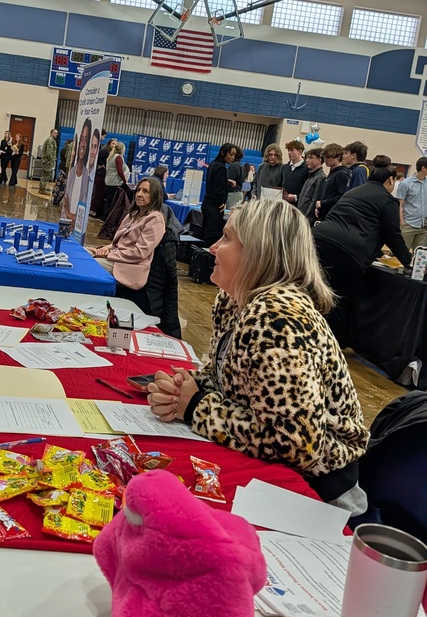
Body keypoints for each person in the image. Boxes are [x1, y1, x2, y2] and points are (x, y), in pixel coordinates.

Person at [147, 199, 369, 511]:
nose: (212, 247)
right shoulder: (232, 301)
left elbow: (294, 445)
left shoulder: (279, 317)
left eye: (226, 238)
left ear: (257, 252)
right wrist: (182, 391)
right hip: (271, 470)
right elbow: (221, 376)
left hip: (319, 492)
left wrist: (196, 406)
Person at [313, 155, 411, 346]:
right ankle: (332, 346)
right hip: (347, 252)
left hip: (318, 239)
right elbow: (393, 236)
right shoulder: (387, 200)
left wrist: (377, 252)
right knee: (340, 300)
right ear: (390, 180)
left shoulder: (354, 192)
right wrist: (409, 261)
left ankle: (310, 335)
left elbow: (352, 221)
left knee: (319, 293)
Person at [88, 177, 166, 289]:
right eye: (138, 190)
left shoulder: (155, 219)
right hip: (116, 256)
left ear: (154, 196)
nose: (139, 194)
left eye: (145, 191)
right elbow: (118, 243)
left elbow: (139, 253)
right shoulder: (133, 214)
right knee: (82, 253)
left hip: (128, 266)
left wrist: (110, 254)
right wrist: (106, 248)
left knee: (89, 264)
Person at [201, 143, 238, 247]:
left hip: (206, 203)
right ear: (223, 153)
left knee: (205, 234)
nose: (233, 158)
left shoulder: (213, 164)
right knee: (212, 238)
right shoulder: (221, 168)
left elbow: (215, 181)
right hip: (214, 206)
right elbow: (217, 189)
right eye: (231, 154)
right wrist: (221, 204)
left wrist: (226, 181)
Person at [395, 157, 427, 251]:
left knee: (420, 256)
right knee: (401, 253)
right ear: (423, 168)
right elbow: (399, 205)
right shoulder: (405, 184)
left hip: (424, 226)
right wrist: (402, 223)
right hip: (408, 224)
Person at [62, 119, 91, 221]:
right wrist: (67, 214)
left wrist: (70, 215)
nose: (83, 144)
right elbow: (66, 201)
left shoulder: (87, 176)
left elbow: (82, 211)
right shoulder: (72, 171)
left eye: (86, 140)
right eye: (81, 140)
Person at [317, 143, 348, 220]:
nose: (325, 160)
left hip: (331, 215)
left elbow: (341, 196)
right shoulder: (332, 172)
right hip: (323, 213)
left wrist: (322, 203)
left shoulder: (341, 174)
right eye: (324, 157)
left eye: (328, 157)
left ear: (338, 157)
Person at [296, 147, 326, 220]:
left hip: (306, 218)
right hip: (300, 214)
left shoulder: (320, 178)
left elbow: (314, 201)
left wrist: (307, 218)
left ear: (319, 160)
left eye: (310, 158)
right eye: (306, 158)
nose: (307, 160)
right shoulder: (310, 175)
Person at [103, 141, 130, 218]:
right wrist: (125, 181)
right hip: (115, 182)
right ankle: (108, 217)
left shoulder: (111, 156)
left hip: (108, 180)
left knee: (109, 200)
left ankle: (105, 216)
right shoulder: (118, 157)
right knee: (112, 202)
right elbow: (120, 171)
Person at [280, 139, 308, 205]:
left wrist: (296, 197)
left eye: (292, 150)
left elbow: (307, 191)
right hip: (283, 204)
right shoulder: (284, 167)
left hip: (298, 205)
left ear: (300, 151)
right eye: (288, 150)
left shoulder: (307, 169)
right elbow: (280, 184)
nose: (289, 153)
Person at [39, 128, 58, 193]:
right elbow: (49, 152)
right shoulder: (50, 140)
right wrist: (50, 160)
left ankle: (42, 189)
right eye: (55, 133)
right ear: (51, 133)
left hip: (48, 161)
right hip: (48, 161)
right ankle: (42, 189)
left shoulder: (52, 140)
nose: (56, 134)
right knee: (46, 175)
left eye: (57, 133)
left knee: (45, 175)